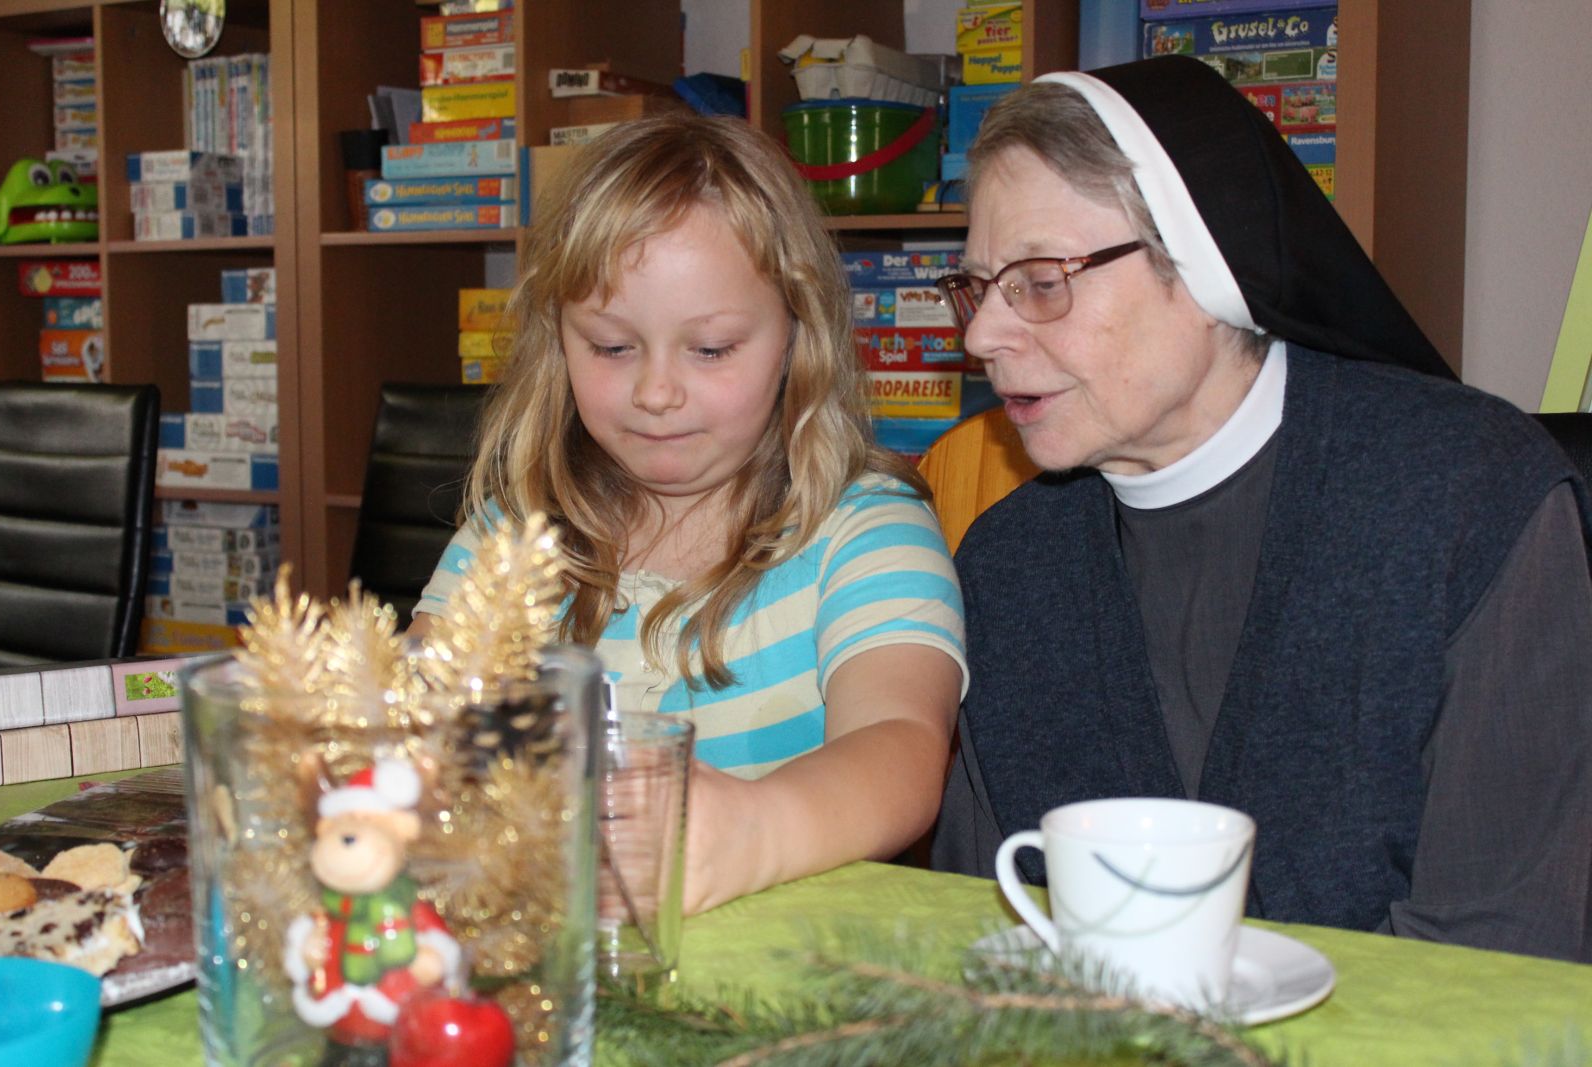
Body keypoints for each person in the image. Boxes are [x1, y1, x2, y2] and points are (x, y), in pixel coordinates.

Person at [930, 55, 1592, 962]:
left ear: (1203, 264)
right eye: (975, 285)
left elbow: (1503, 956)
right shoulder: (1007, 566)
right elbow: (981, 931)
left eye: (1040, 282)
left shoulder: (1472, 503)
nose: (980, 335)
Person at [407, 113, 967, 915]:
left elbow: (902, 748)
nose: (657, 392)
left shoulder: (868, 533)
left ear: (796, 336)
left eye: (710, 349)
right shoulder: (511, 538)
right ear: (558, 343)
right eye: (610, 347)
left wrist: (752, 830)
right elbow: (415, 720)